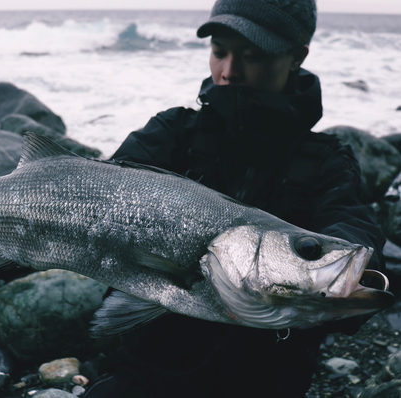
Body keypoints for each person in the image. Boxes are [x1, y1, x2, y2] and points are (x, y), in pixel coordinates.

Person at [84, 0, 386, 397]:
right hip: (147, 366)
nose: (228, 72)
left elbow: (354, 227)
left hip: (264, 378)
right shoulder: (173, 132)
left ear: (297, 56)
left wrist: (333, 271)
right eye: (219, 52)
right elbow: (99, 191)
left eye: (252, 56)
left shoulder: (326, 159)